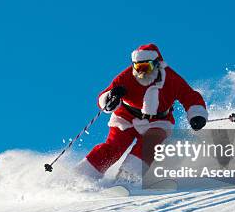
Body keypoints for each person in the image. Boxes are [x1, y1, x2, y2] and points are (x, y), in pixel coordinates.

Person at [75, 43, 208, 184]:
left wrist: (196, 114)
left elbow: (189, 96)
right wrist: (111, 99)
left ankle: (128, 178)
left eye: (146, 67)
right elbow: (104, 96)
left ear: (157, 64)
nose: (142, 72)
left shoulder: (171, 79)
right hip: (126, 118)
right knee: (114, 147)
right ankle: (83, 176)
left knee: (149, 144)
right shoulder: (126, 77)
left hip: (157, 121)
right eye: (138, 67)